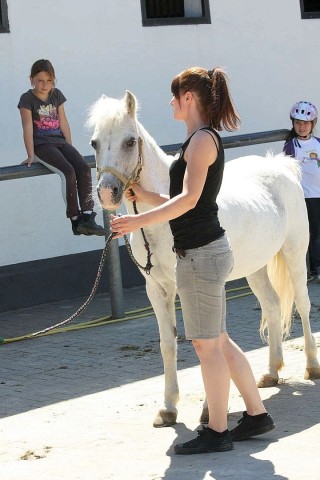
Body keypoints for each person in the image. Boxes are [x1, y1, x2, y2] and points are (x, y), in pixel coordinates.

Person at [110, 67, 275, 454]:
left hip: (201, 255)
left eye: (174, 95)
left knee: (206, 347)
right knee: (219, 340)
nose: (170, 101)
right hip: (203, 252)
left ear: (189, 98)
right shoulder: (196, 140)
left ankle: (217, 431)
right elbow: (183, 196)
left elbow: (187, 201)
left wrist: (138, 219)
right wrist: (145, 196)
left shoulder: (201, 142)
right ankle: (256, 414)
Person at [18, 59, 105, 236]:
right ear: (31, 79)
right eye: (40, 80)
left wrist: (69, 148)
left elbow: (63, 121)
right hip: (42, 145)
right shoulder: (27, 99)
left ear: (54, 81)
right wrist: (31, 154)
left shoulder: (56, 95)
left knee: (82, 168)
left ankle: (88, 217)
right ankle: (75, 219)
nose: (45, 85)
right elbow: (27, 127)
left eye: (49, 81)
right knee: (68, 172)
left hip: (60, 142)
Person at [283, 101, 320, 281]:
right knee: (314, 233)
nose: (301, 126)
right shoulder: (292, 146)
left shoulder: (318, 143)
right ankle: (317, 269)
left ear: (313, 124)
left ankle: (314, 269)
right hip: (306, 196)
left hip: (319, 193)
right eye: (298, 122)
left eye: (305, 123)